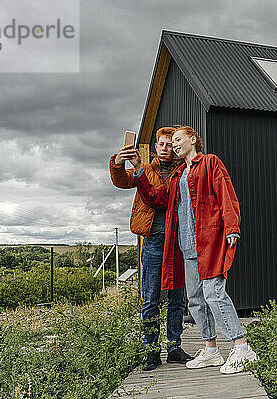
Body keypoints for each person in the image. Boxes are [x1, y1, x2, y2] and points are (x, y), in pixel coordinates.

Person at [127, 125, 258, 374]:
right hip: (186, 245)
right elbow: (156, 198)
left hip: (209, 240)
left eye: (178, 139)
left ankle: (242, 348)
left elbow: (226, 194)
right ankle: (210, 350)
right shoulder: (177, 176)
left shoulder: (210, 162)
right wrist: (138, 168)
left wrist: (232, 228)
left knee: (214, 294)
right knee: (195, 299)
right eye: (171, 141)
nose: (174, 144)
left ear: (193, 139)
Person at [109, 126, 194, 371]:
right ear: (156, 147)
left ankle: (174, 347)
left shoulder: (182, 172)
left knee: (177, 298)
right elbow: (122, 181)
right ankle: (151, 351)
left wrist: (137, 169)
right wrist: (117, 161)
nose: (166, 149)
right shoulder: (145, 169)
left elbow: (161, 198)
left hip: (176, 241)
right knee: (150, 299)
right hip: (154, 240)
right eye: (162, 145)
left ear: (176, 147)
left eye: (171, 144)